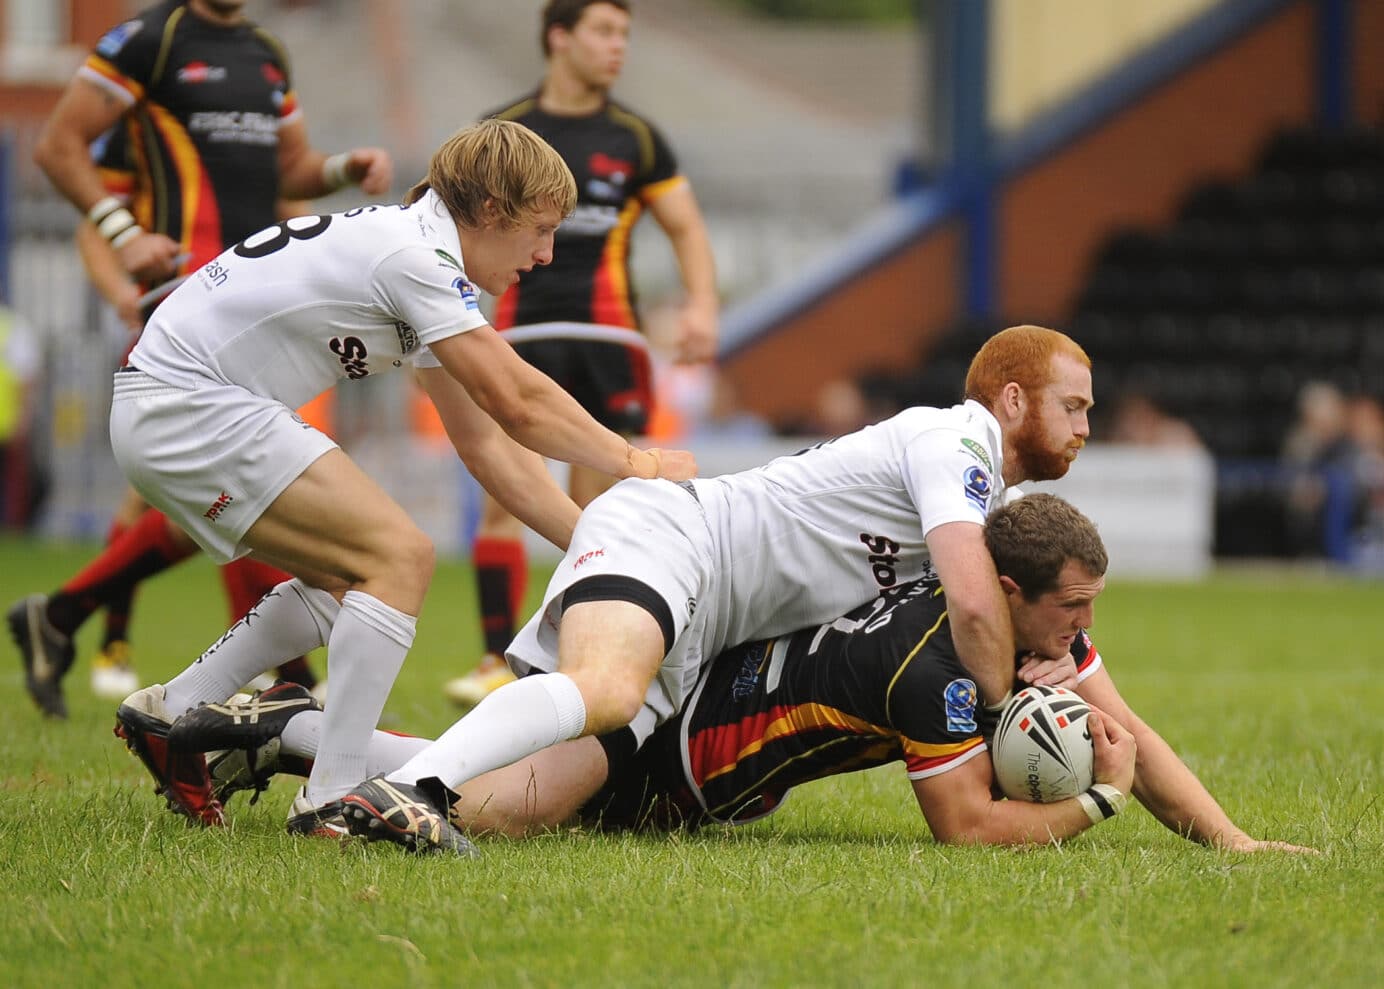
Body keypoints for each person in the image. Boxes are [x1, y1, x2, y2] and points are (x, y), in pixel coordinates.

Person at [99, 118, 697, 837]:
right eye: (539, 230)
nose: (544, 255)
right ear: (488, 213)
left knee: (352, 577)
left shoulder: (420, 254)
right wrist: (640, 461)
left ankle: (175, 710)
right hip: (187, 404)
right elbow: (519, 401)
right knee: (400, 557)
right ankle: (334, 795)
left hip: (175, 402)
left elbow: (489, 447)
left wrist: (603, 550)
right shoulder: (414, 261)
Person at [174, 495, 1315, 854]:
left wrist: (1232, 843)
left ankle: (284, 727)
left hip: (700, 709)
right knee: (491, 813)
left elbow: (1135, 722)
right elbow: (966, 830)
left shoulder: (1009, 626)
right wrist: (1093, 799)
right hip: (676, 754)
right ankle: (288, 728)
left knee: (483, 790)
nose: (1086, 628)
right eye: (1073, 605)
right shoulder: (938, 661)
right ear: (1007, 593)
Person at [306, 323, 1089, 847]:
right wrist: (1006, 707)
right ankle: (409, 788)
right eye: (1074, 405)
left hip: (703, 627)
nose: (1086, 425)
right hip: (678, 539)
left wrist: (1211, 834)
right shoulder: (955, 440)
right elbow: (977, 604)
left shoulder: (997, 509)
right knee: (603, 688)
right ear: (1013, 399)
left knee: (529, 801)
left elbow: (1038, 633)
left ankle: (291, 734)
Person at [10, 0, 394, 714]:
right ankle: (295, 684)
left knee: (223, 491)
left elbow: (294, 171)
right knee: (243, 481)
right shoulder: (149, 43)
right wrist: (123, 234)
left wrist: (344, 165)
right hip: (184, 302)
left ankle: (62, 618)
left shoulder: (266, 53)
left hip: (258, 302)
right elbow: (58, 147)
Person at [444, 0, 719, 707]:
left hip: (609, 338)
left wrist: (701, 307)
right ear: (558, 37)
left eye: (624, 33)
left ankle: (583, 650)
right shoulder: (503, 131)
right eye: (603, 30)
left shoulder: (636, 137)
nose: (617, 45)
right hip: (518, 333)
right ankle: (490, 658)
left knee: (600, 506)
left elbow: (685, 227)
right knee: (504, 494)